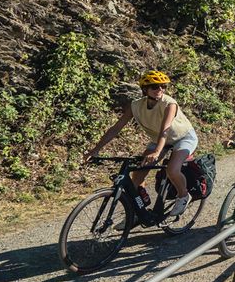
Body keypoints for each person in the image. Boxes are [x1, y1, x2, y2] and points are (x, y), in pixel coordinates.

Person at [82, 70, 196, 219]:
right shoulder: (135, 106)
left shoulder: (169, 104)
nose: (160, 89)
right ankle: (138, 209)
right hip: (158, 140)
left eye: (163, 86)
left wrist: (157, 152)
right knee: (138, 174)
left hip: (183, 137)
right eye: (155, 86)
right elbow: (116, 128)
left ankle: (183, 195)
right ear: (145, 89)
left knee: (172, 170)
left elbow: (165, 130)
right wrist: (95, 149)